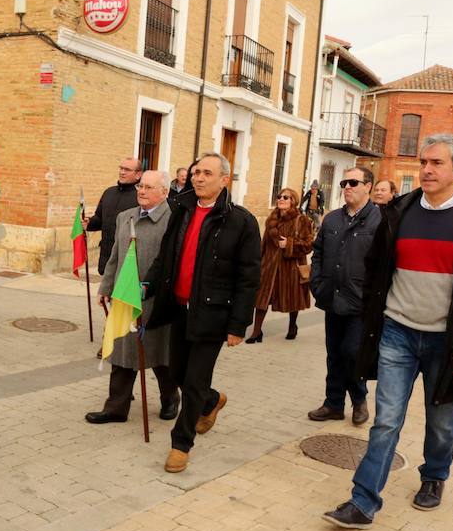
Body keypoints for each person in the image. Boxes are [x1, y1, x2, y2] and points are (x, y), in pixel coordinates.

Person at [324, 134, 453, 530]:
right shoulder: (399, 212)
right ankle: (363, 501)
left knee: (441, 421)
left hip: (448, 342)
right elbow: (376, 270)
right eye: (423, 161)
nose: (426, 169)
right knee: (386, 420)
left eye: (437, 163)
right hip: (397, 334)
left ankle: (434, 475)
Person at [145, 153, 260, 473]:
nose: (198, 178)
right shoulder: (180, 211)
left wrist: (239, 323)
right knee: (178, 374)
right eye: (196, 172)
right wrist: (146, 287)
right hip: (178, 309)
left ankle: (180, 444)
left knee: (193, 381)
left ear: (225, 179)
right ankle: (211, 401)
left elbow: (249, 278)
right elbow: (165, 257)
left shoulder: (241, 221)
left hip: (213, 314)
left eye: (207, 173)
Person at [86, 170, 179, 424]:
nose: (141, 191)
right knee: (123, 353)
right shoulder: (124, 218)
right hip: (126, 297)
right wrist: (105, 287)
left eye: (149, 187)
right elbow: (115, 256)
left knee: (161, 355)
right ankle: (116, 407)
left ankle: (170, 397)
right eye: (140, 186)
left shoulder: (173, 221)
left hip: (156, 301)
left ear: (164, 192)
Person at [307, 166, 380, 425]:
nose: (347, 187)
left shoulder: (378, 220)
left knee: (352, 352)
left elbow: (385, 264)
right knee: (334, 353)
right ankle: (333, 404)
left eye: (353, 182)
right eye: (344, 183)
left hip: (361, 303)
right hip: (332, 298)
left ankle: (359, 400)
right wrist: (317, 283)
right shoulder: (333, 219)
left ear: (368, 186)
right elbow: (318, 253)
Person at [246, 188, 312, 343]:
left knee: (292, 299)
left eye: (286, 197)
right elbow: (264, 244)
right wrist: (258, 262)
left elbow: (308, 245)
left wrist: (288, 244)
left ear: (293, 201)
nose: (281, 199)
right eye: (279, 196)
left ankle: (292, 326)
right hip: (269, 266)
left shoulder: (301, 220)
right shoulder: (272, 219)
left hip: (290, 267)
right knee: (261, 299)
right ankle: (256, 332)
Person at [84, 158, 142, 275]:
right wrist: (88, 222)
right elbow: (99, 219)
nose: (122, 172)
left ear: (138, 174)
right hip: (106, 258)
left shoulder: (141, 196)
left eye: (127, 169)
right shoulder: (109, 193)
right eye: (121, 168)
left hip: (128, 261)